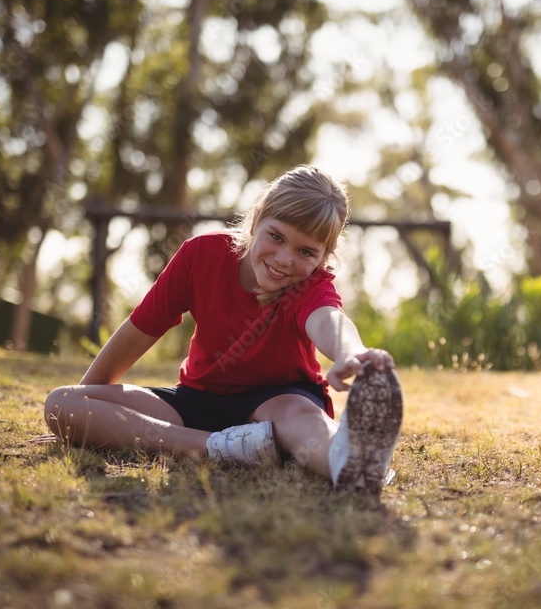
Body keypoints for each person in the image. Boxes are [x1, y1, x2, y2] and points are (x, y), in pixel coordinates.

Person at [44, 165, 403, 495]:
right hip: (196, 402)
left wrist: (351, 354)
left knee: (301, 420)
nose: (284, 259)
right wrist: (87, 395)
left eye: (305, 251)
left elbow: (328, 319)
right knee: (63, 403)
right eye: (276, 237)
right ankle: (219, 447)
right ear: (256, 219)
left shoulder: (309, 286)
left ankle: (350, 462)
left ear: (323, 258)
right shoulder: (201, 256)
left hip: (279, 402)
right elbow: (139, 330)